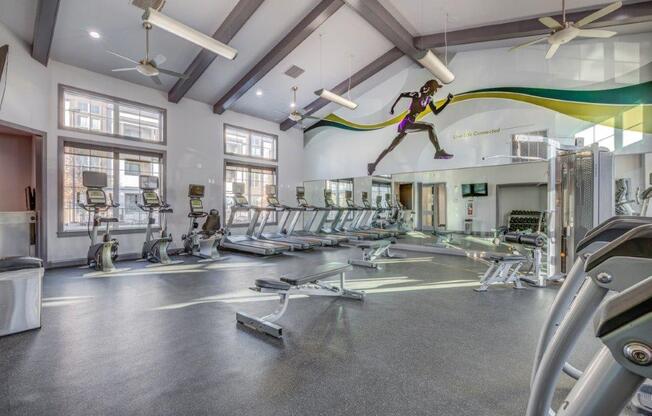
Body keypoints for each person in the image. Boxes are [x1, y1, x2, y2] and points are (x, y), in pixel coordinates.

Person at [368, 79, 454, 176]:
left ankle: (373, 165)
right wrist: (392, 108)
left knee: (390, 148)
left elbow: (436, 112)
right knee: (430, 126)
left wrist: (447, 101)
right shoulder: (417, 95)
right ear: (430, 88)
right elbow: (402, 94)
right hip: (406, 123)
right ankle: (438, 151)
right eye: (435, 89)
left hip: (410, 124)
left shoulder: (429, 99)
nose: (436, 91)